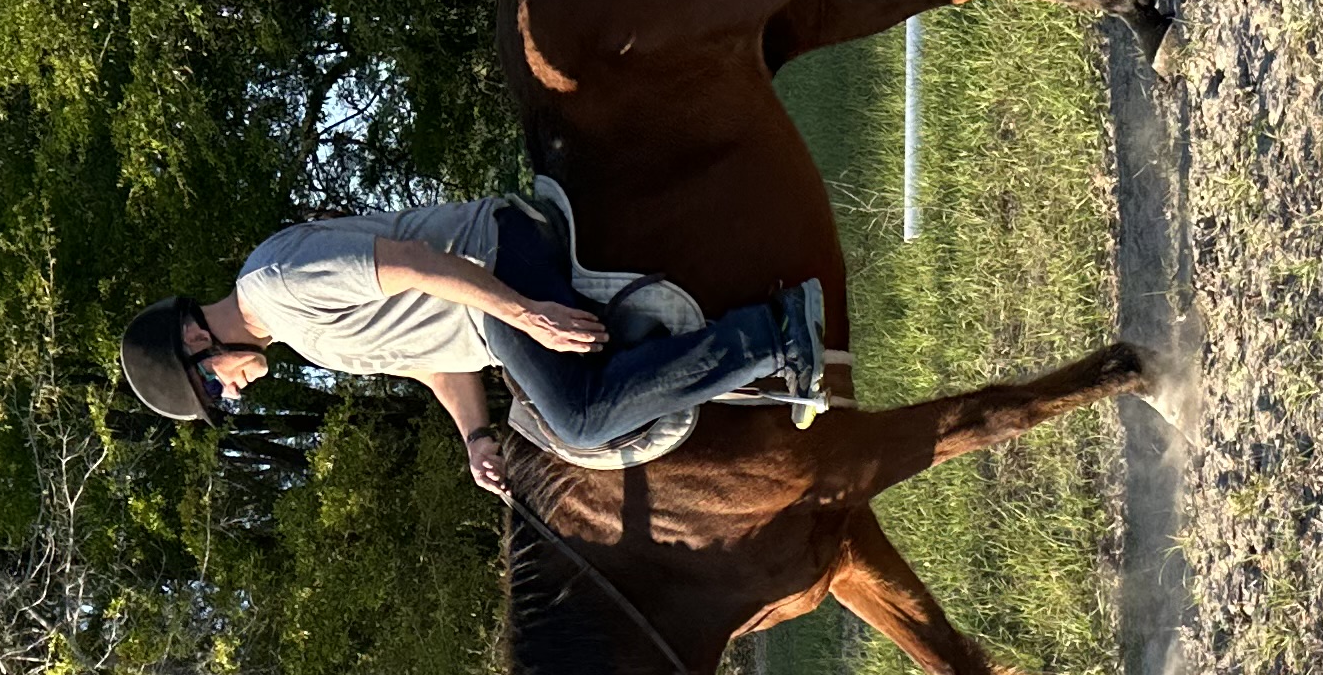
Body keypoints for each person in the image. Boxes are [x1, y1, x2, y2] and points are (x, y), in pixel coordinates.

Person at [116, 187, 822, 490]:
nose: (229, 390)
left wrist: (524, 313)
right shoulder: (297, 338)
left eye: (210, 382)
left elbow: (417, 265)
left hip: (494, 256)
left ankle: (775, 334)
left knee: (578, 420)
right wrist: (474, 437)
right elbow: (430, 360)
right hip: (488, 314)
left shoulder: (276, 284)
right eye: (218, 398)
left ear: (193, 333)